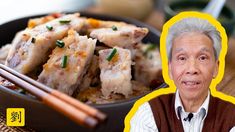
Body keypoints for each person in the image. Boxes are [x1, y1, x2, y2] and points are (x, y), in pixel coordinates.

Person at [129, 17, 235, 132]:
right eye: (182, 58)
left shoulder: (231, 117)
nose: (192, 69)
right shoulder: (148, 113)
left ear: (216, 67)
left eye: (202, 58)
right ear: (170, 68)